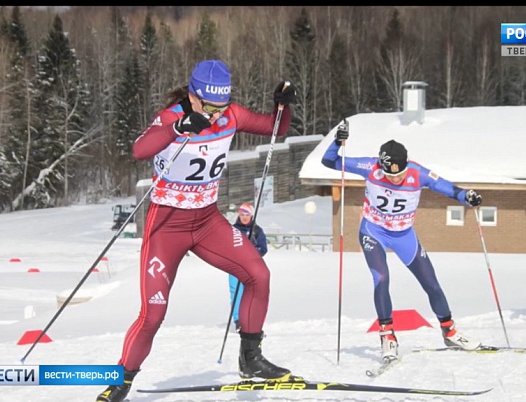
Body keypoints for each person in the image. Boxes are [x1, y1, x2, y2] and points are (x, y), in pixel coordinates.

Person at [96, 60, 297, 402]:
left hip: (206, 222)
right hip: (166, 227)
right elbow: (139, 149)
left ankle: (251, 359)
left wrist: (282, 105)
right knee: (153, 314)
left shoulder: (231, 114)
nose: (218, 115)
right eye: (210, 107)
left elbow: (277, 129)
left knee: (258, 274)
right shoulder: (172, 116)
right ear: (193, 96)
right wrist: (179, 128)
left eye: (222, 107)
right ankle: (120, 381)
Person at [321, 121, 483, 362]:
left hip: (404, 235)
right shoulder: (370, 166)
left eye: (398, 174)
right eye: (389, 174)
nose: (394, 179)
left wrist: (466, 196)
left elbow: (449, 189)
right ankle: (387, 336)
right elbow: (329, 161)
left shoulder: (418, 173)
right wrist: (337, 141)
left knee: (431, 283)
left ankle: (449, 331)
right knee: (381, 279)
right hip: (373, 231)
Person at [229, 202, 268, 332]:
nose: (244, 217)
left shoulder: (256, 230)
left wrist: (252, 254)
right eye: (242, 214)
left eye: (247, 214)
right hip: (235, 266)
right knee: (236, 292)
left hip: (251, 266)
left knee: (252, 292)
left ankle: (250, 319)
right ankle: (238, 320)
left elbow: (263, 248)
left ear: (251, 215)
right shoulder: (233, 229)